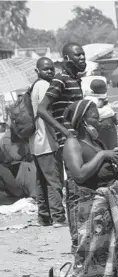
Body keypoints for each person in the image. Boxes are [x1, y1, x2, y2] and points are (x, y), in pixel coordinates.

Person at [62, 99, 118, 277]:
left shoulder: (98, 144)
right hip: (86, 208)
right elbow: (80, 175)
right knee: (87, 253)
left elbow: (117, 176)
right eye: (94, 118)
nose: (98, 122)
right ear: (83, 120)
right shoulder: (73, 144)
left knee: (111, 253)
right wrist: (102, 155)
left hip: (107, 206)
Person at [37, 42, 87, 253]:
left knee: (81, 186)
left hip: (78, 139)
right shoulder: (60, 79)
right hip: (69, 141)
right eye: (78, 55)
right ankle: (78, 241)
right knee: (76, 186)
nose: (82, 58)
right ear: (67, 59)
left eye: (83, 55)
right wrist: (64, 132)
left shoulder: (75, 79)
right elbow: (42, 109)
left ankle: (83, 237)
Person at [29, 57, 66, 227]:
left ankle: (44, 217)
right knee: (54, 180)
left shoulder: (33, 86)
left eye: (51, 68)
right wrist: (59, 136)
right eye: (46, 69)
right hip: (47, 141)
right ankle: (58, 217)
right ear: (37, 71)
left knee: (41, 181)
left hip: (36, 142)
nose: (50, 72)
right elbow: (47, 114)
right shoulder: (44, 86)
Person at [84, 79, 118, 150]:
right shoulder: (92, 100)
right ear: (101, 88)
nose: (107, 88)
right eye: (105, 87)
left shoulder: (97, 97)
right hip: (102, 129)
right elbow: (95, 114)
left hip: (106, 127)